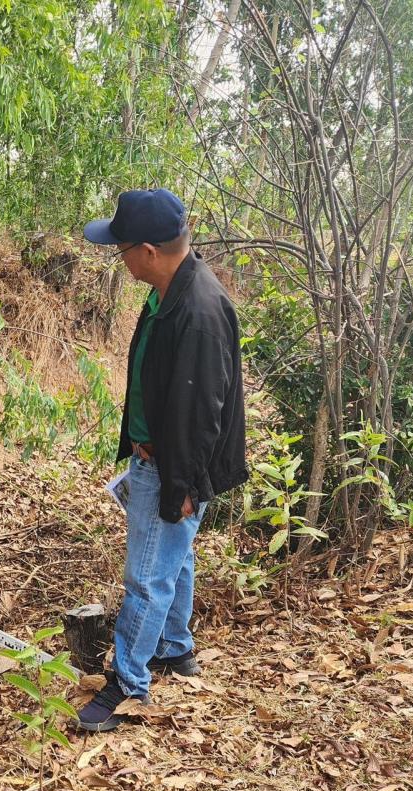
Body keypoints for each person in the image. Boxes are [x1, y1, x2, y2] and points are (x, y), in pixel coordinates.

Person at [76, 189, 247, 733]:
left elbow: (202, 415)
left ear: (148, 251)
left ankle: (128, 685)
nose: (119, 257)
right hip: (160, 458)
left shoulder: (197, 312)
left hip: (174, 464)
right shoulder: (168, 292)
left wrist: (182, 486)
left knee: (147, 576)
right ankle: (174, 646)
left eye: (122, 247)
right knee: (175, 557)